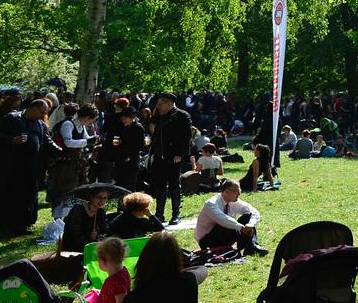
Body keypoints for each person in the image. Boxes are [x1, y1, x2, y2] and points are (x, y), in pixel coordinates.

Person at [0, 97, 55, 234]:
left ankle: (21, 225)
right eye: (42, 112)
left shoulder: (40, 124)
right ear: (34, 108)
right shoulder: (12, 118)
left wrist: (61, 150)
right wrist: (12, 140)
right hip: (8, 166)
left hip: (29, 167)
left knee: (26, 196)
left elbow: (48, 142)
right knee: (2, 194)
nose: (43, 115)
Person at [147, 94, 192, 225]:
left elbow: (186, 137)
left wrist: (180, 154)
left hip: (174, 156)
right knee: (159, 185)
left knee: (174, 184)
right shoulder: (159, 116)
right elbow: (156, 134)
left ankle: (175, 214)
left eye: (160, 104)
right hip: (159, 155)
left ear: (168, 104)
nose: (158, 107)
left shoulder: (181, 115)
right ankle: (159, 214)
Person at [193, 180, 266, 256]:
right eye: (236, 191)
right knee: (229, 225)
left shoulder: (234, 201)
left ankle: (251, 246)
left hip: (225, 234)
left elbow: (254, 211)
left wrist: (251, 224)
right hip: (206, 241)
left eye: (240, 190)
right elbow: (223, 220)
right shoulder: (211, 203)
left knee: (248, 216)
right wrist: (241, 228)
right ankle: (247, 246)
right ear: (226, 191)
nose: (239, 193)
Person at [61, 187, 110, 253]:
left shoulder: (100, 212)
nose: (102, 201)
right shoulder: (77, 210)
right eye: (99, 197)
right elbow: (74, 233)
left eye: (105, 198)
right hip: (73, 247)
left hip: (92, 247)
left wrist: (97, 235)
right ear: (91, 197)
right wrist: (89, 236)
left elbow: (105, 230)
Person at [110, 108, 145, 195]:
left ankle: (130, 203)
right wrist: (117, 143)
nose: (123, 120)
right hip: (120, 159)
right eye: (122, 118)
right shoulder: (121, 126)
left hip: (131, 160)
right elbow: (116, 139)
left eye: (125, 118)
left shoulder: (138, 128)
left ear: (132, 117)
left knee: (129, 185)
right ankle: (121, 203)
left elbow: (139, 146)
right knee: (120, 184)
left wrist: (127, 154)